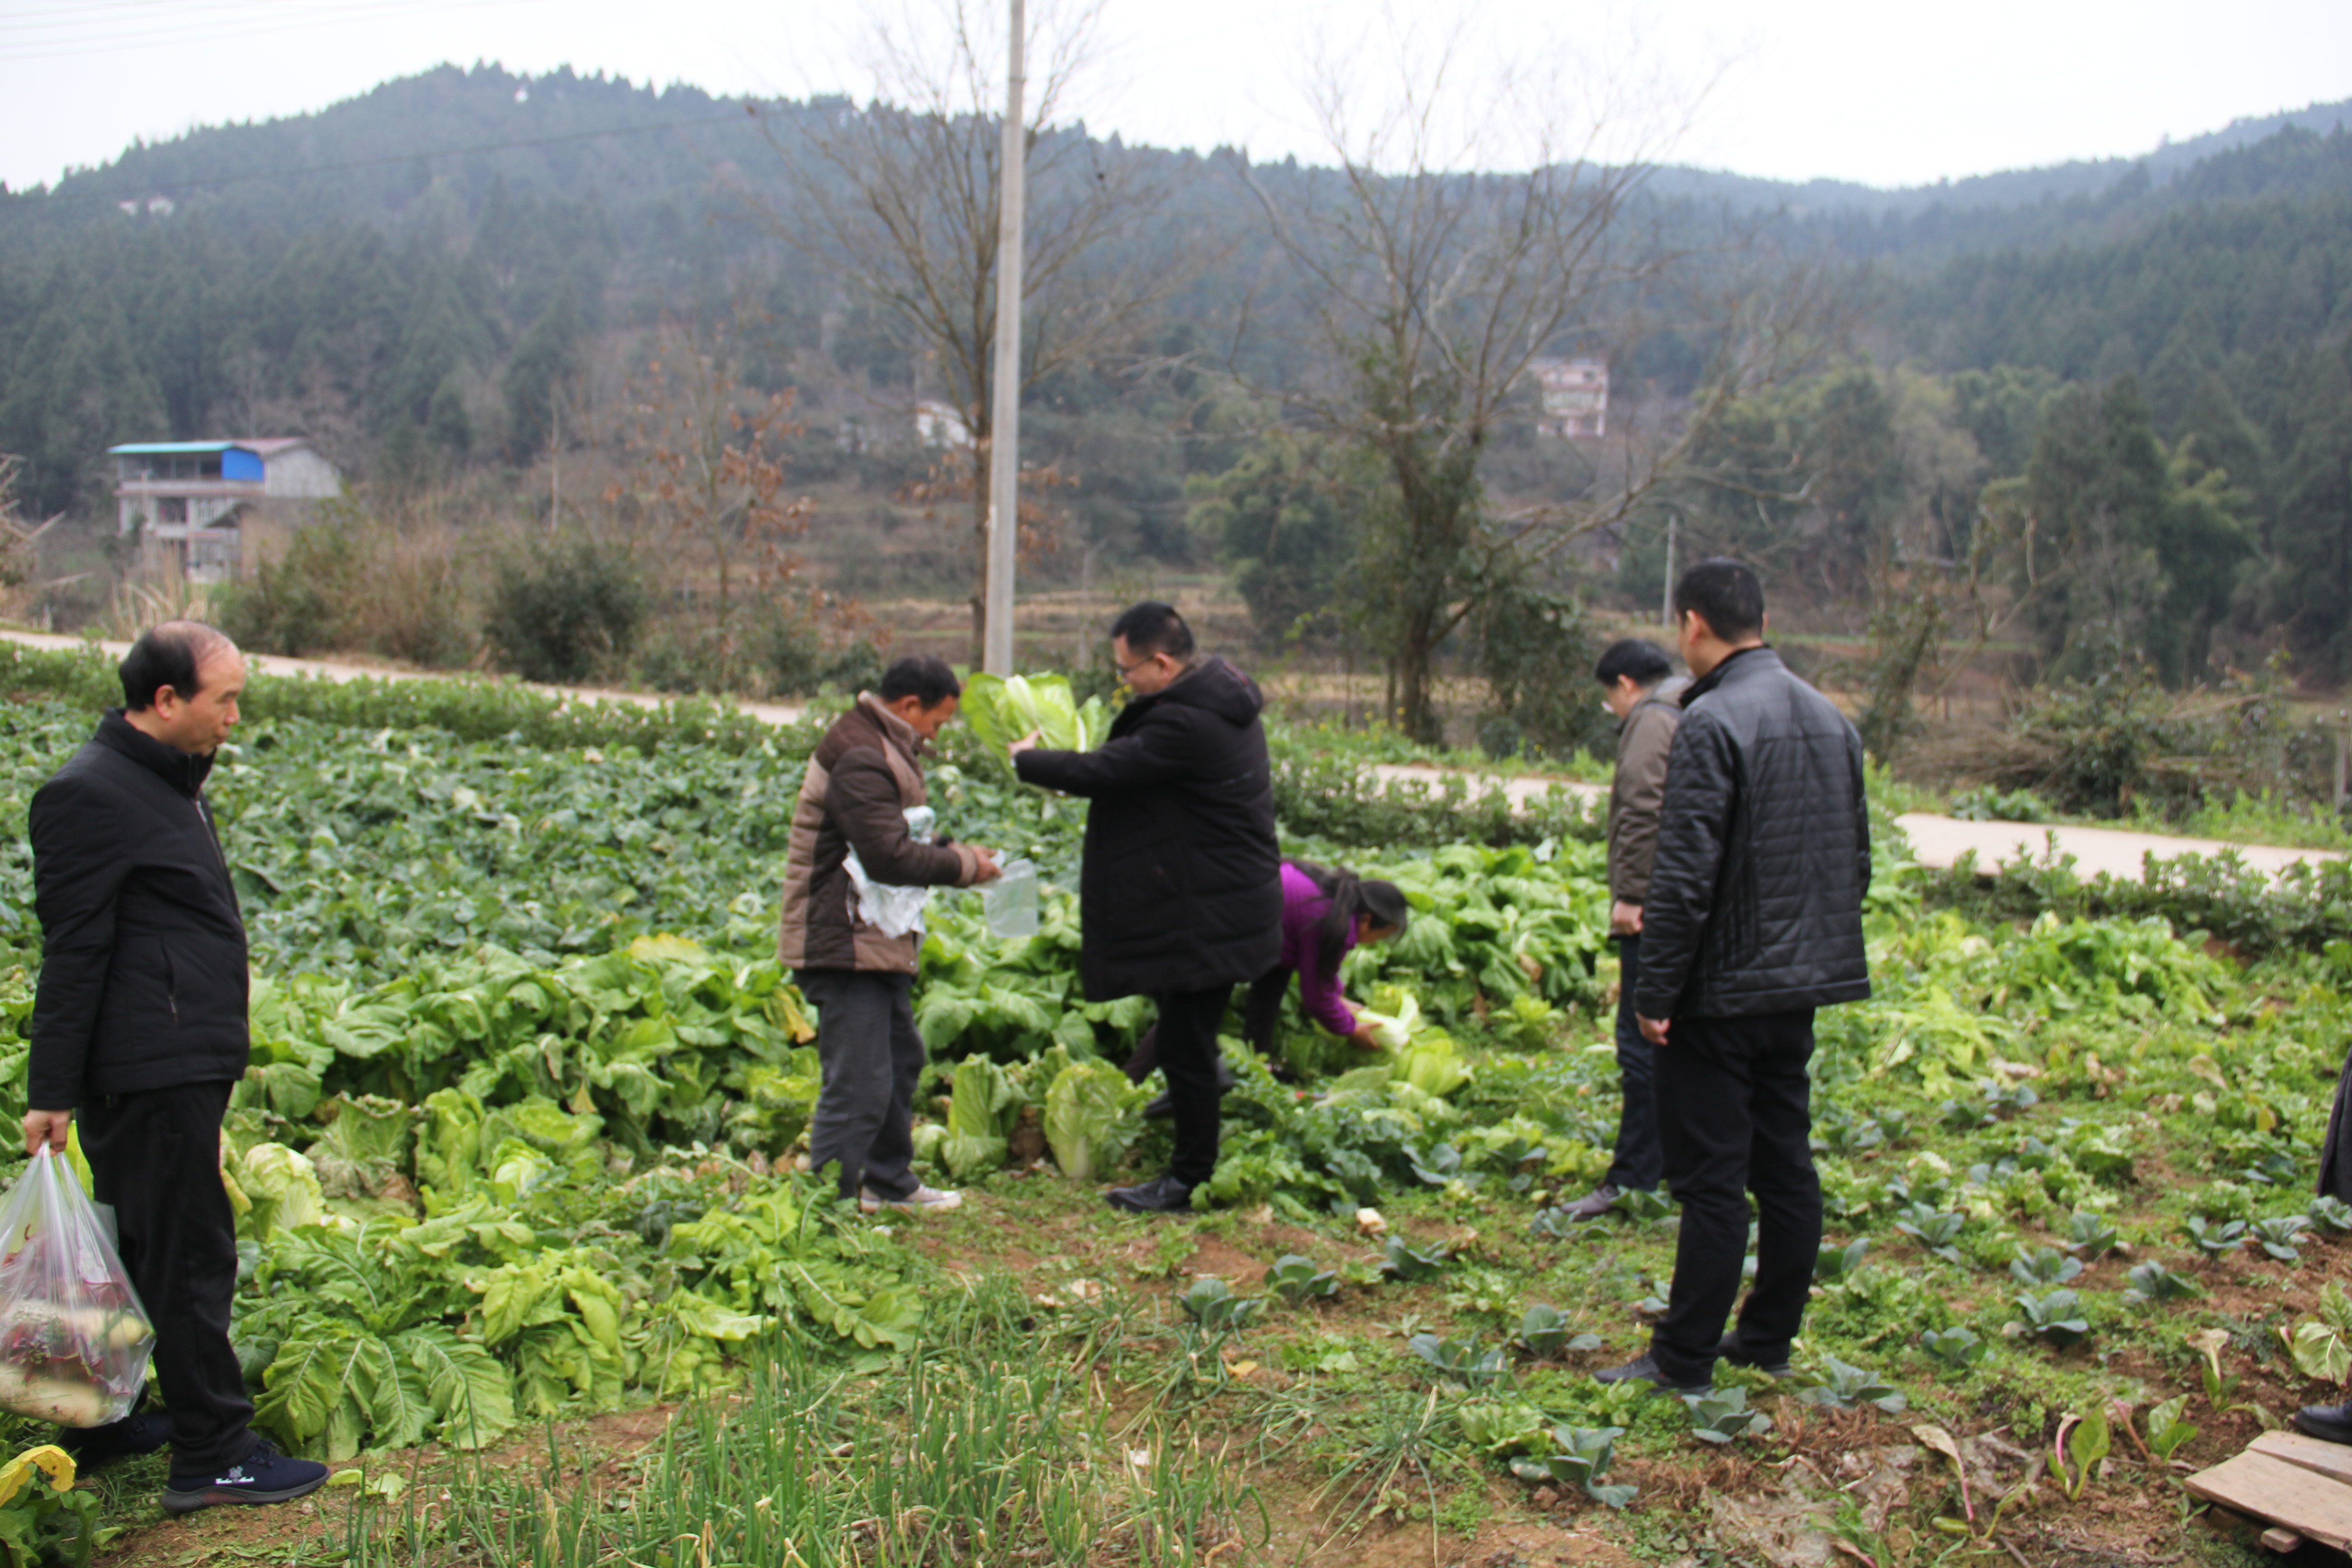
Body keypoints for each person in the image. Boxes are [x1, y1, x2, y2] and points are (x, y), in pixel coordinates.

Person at [24, 622, 331, 1513]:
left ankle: (106, 1419)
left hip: (173, 1057)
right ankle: (213, 1452)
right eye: (223, 699)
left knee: (141, 1249)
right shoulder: (89, 794)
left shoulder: (162, 782)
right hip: (150, 1065)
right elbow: (73, 953)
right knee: (190, 1254)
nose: (235, 717)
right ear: (165, 702)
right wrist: (52, 1093)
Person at [1594, 561, 1872, 1394]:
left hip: (1717, 996)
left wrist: (1655, 996)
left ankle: (1681, 1359)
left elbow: (1681, 880)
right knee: (1784, 1163)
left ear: (1690, 626)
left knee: (1711, 1179)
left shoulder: (1708, 720)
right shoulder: (1831, 720)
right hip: (1793, 990)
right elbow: (1852, 863)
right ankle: (1765, 1338)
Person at [1010, 602, 1281, 1214]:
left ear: (1162, 662)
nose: (1123, 682)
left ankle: (1187, 1179)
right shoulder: (1217, 697)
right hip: (1220, 898)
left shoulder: (1187, 724)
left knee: (1184, 1041)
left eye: (1127, 670)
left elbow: (1110, 769)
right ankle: (1203, 1091)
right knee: (1184, 1024)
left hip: (1211, 909)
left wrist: (1025, 760)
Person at [780, 656, 1000, 1214]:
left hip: (874, 937)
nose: (937, 734)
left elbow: (893, 833)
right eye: (938, 722)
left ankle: (886, 1181)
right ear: (909, 707)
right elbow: (884, 856)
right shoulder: (862, 754)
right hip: (843, 938)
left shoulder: (884, 746)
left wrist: (952, 851)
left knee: (899, 1057)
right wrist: (963, 867)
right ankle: (824, 1211)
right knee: (858, 1081)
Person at [1556, 638, 1688, 1221]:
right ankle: (1680, 1169)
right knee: (1686, 1044)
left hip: (1656, 908)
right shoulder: (1698, 702)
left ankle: (1633, 1177)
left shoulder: (1653, 719)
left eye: (1610, 696)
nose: (1611, 707)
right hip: (1697, 908)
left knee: (1642, 1043)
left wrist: (1631, 896)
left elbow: (1642, 807)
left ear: (1626, 684)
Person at [1125, 858, 1411, 1114]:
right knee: (1190, 1012)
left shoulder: (1336, 898)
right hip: (1226, 926)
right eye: (1383, 936)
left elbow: (1318, 971)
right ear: (1367, 921)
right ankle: (1128, 1086)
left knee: (1273, 981)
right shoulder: (1334, 922)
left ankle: (1255, 1067)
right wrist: (1351, 1030)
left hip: (1239, 915)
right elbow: (1316, 999)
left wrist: (1339, 998)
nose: (1379, 942)